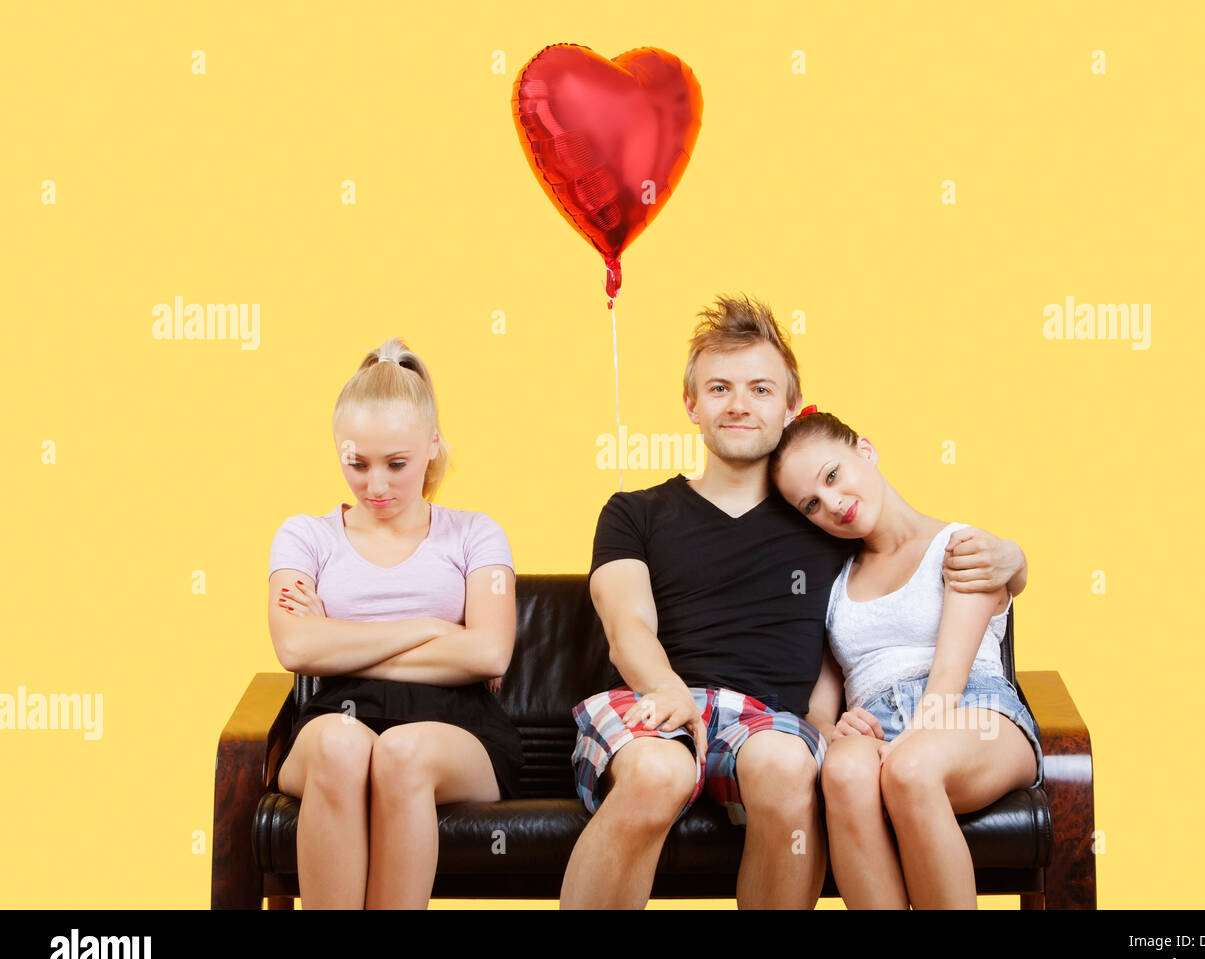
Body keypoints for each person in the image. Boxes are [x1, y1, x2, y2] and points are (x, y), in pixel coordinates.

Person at [560, 295, 1029, 909]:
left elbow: (906, 568)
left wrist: (1014, 561)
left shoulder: (823, 521)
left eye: (759, 388)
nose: (738, 403)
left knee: (787, 768)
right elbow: (627, 628)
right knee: (658, 773)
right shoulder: (634, 512)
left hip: (770, 724)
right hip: (657, 697)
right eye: (719, 387)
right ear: (691, 405)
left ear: (788, 406)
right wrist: (670, 691)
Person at [266, 337, 522, 909]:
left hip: (458, 731)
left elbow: (488, 655)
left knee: (401, 752)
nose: (375, 487)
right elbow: (296, 648)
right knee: (343, 746)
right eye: (356, 464)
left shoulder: (477, 533)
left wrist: (337, 637)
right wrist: (432, 629)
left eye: (396, 464)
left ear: (432, 445)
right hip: (339, 714)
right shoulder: (304, 536)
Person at [768, 408, 1044, 909]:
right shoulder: (833, 588)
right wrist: (835, 731)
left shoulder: (959, 547)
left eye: (833, 475)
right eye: (811, 504)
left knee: (910, 770)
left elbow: (947, 681)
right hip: (880, 722)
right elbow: (820, 708)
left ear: (865, 451)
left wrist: (902, 747)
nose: (832, 503)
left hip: (973, 713)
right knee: (844, 772)